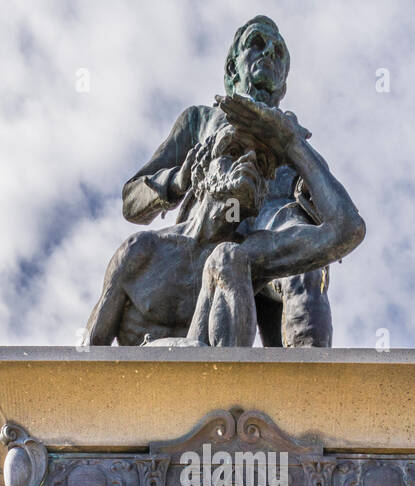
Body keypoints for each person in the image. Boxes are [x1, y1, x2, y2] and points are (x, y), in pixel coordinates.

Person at [120, 15, 339, 347]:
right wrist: (176, 181)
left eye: (278, 53)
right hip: (210, 229)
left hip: (273, 225)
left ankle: (309, 389)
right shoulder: (200, 120)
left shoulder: (290, 134)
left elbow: (336, 216)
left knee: (310, 268)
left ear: (282, 85)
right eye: (257, 44)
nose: (269, 55)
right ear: (232, 67)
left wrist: (309, 190)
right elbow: (131, 199)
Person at [86, 95, 363, 348]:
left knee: (227, 257)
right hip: (147, 387)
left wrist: (293, 144)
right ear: (201, 170)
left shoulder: (250, 254)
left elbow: (347, 230)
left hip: (215, 388)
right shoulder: (142, 251)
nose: (249, 164)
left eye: (262, 163)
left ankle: (287, 396)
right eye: (233, 152)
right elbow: (90, 351)